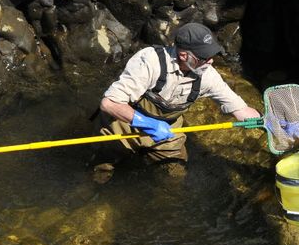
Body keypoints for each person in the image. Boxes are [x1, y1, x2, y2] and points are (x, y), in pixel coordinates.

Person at [91, 22, 261, 179]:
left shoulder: (208, 75)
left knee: (175, 176)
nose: (210, 62)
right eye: (203, 57)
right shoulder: (150, 62)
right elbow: (109, 103)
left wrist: (266, 122)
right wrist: (149, 124)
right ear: (184, 54)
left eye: (211, 56)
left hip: (167, 131)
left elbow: (240, 110)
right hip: (121, 125)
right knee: (101, 171)